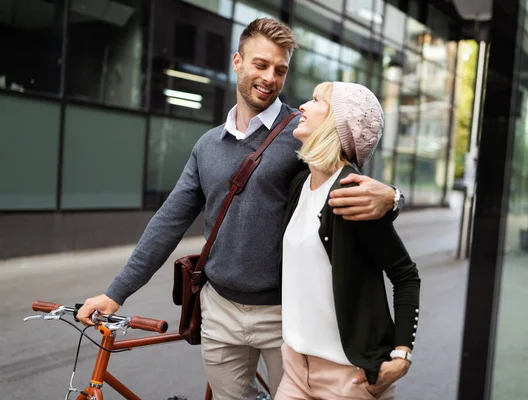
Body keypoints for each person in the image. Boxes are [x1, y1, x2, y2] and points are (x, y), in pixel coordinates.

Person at [76, 18, 403, 400]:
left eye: (280, 70)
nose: (270, 78)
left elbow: (356, 184)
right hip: (220, 311)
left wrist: (393, 198)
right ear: (237, 61)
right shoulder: (208, 146)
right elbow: (168, 221)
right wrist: (116, 293)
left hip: (288, 316)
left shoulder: (303, 134)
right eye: (261, 65)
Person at [276, 81, 420, 400]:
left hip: (348, 380)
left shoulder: (352, 195)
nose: (303, 106)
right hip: (296, 371)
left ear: (337, 125)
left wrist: (402, 355)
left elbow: (406, 275)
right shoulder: (299, 185)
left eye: (316, 100)